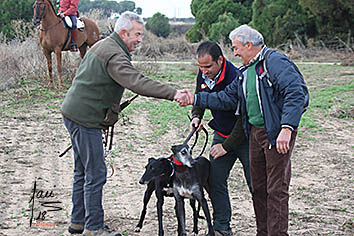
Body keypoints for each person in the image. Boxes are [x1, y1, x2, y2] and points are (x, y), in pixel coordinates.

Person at [61, 11, 190, 236]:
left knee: (83, 171)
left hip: (75, 114)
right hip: (85, 120)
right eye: (137, 35)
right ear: (123, 33)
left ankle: (78, 222)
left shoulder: (105, 45)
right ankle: (93, 228)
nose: (140, 40)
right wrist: (173, 93)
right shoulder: (115, 54)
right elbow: (137, 83)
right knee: (96, 173)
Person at [184, 25, 308, 235]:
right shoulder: (247, 70)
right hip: (255, 133)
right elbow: (224, 98)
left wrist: (286, 128)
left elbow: (296, 93)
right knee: (259, 188)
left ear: (249, 45)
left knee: (275, 188)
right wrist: (194, 100)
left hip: (274, 133)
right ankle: (262, 232)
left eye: (236, 47)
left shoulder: (274, 62)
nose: (235, 53)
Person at [190, 41, 251, 236]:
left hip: (245, 138)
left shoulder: (236, 77)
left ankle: (266, 229)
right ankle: (221, 228)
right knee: (215, 180)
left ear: (220, 60)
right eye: (200, 66)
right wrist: (196, 116)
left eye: (208, 66)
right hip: (222, 134)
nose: (204, 71)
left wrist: (226, 146)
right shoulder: (204, 73)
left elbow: (244, 118)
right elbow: (200, 95)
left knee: (256, 184)